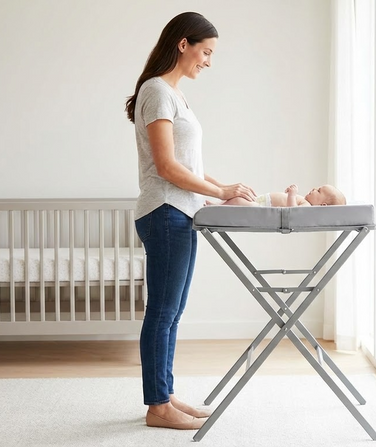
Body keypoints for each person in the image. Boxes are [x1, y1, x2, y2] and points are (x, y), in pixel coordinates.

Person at [124, 12, 256, 430]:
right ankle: (157, 407)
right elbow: (166, 167)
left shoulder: (174, 95)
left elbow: (188, 164)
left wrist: (223, 185)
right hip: (166, 212)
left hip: (179, 212)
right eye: (206, 51)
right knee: (162, 312)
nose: (209, 62)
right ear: (184, 44)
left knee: (172, 311)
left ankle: (165, 395)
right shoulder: (158, 92)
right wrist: (218, 193)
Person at [209, 184, 346, 207]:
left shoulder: (307, 206)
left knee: (239, 200)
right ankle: (219, 205)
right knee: (239, 197)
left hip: (263, 207)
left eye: (319, 191)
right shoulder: (305, 201)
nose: (314, 189)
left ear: (322, 205)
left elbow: (292, 212)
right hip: (263, 201)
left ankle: (217, 207)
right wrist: (288, 194)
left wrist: (292, 195)